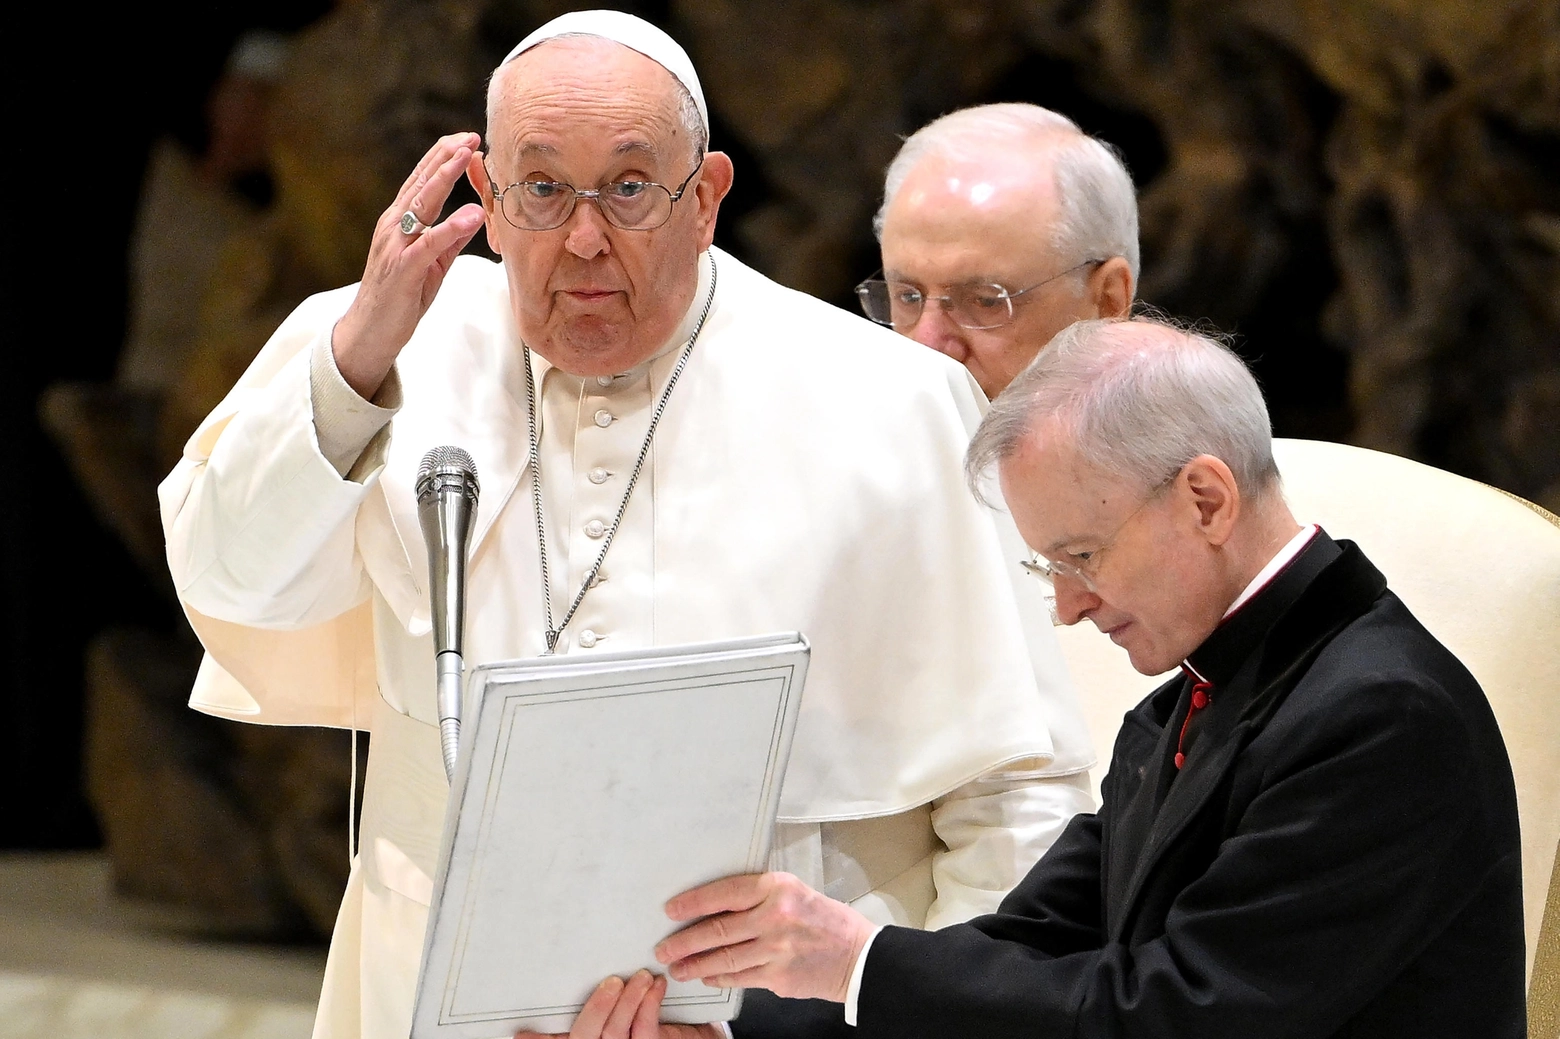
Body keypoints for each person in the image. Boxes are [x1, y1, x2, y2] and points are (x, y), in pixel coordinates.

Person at [159, 11, 1098, 1038]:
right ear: (488, 199)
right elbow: (227, 579)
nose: (585, 237)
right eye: (544, 187)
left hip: (766, 1019)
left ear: (707, 199)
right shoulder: (384, 347)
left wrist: (922, 1017)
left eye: (631, 187)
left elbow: (1017, 790)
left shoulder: (891, 401)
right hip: (431, 999)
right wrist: (351, 371)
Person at [593, 317, 1525, 1038]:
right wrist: (722, 1022)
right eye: (1051, 566)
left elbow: (1182, 1018)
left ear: (1205, 498)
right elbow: (1020, 953)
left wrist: (853, 959)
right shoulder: (1182, 703)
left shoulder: (1382, 716)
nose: (1069, 606)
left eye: (1080, 554)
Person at [857, 103, 1138, 400]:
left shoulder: (1183, 444)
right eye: (908, 297)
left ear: (1108, 302)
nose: (927, 345)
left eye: (985, 301)